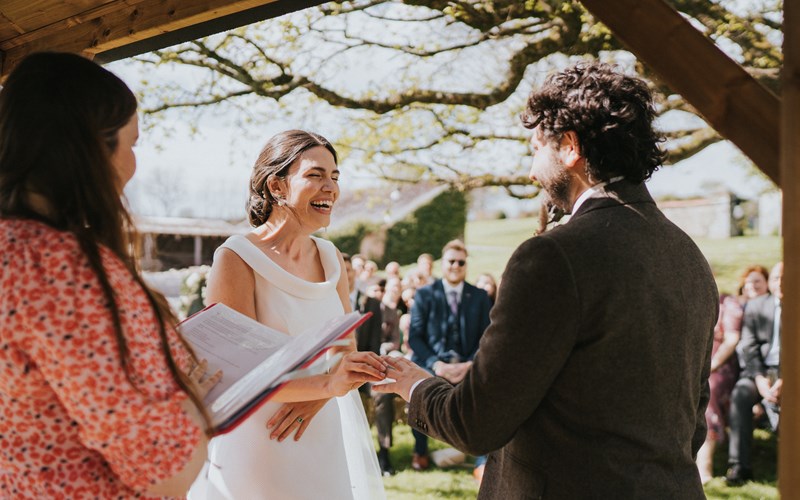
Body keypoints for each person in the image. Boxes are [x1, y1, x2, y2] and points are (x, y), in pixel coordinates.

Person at [375, 62, 718, 498]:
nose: (532, 171)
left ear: (570, 147)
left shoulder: (554, 256)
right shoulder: (689, 255)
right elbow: (688, 415)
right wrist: (483, 373)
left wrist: (414, 383)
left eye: (536, 148)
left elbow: (476, 424)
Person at [0, 52, 221, 498]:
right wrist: (195, 403)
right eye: (131, 143)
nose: (134, 165)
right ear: (89, 149)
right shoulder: (60, 270)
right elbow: (164, 470)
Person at [189, 130, 387, 499]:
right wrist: (325, 385)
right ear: (277, 185)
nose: (331, 188)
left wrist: (328, 391)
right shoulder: (236, 258)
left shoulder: (332, 259)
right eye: (315, 175)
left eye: (335, 176)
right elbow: (236, 375)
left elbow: (344, 348)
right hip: (259, 441)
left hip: (324, 430)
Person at [407, 239, 492, 471]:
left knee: (486, 394)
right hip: (433, 363)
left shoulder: (479, 297)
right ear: (442, 263)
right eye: (451, 261)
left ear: (466, 265)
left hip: (468, 364)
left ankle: (482, 460)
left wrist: (470, 364)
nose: (456, 266)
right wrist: (436, 365)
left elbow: (487, 336)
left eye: (461, 262)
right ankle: (420, 450)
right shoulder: (425, 295)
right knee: (418, 390)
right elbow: (415, 337)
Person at [726, 262, 783, 486]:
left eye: (786, 278)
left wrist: (786, 380)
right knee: (740, 394)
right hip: (759, 372)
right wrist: (759, 378)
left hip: (790, 373)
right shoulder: (757, 306)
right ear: (770, 283)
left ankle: (788, 467)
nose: (781, 283)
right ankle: (740, 466)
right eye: (777, 278)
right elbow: (749, 346)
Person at [695, 292, 743, 484]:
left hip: (720, 368)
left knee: (710, 389)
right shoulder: (691, 299)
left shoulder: (728, 303)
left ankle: (704, 466)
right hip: (693, 366)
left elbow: (731, 340)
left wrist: (711, 366)